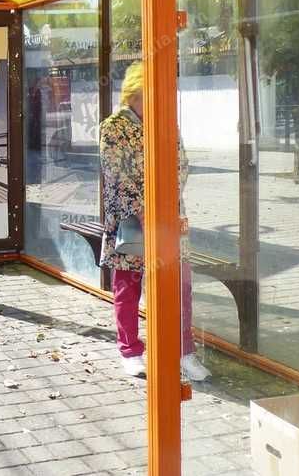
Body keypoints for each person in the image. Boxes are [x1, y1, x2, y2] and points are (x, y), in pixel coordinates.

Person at [99, 62, 210, 381]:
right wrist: (144, 210)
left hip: (169, 216)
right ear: (137, 92)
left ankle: (184, 351)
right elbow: (116, 174)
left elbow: (181, 164)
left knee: (180, 285)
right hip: (131, 220)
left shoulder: (166, 122)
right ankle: (130, 351)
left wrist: (168, 205)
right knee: (128, 285)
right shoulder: (113, 127)